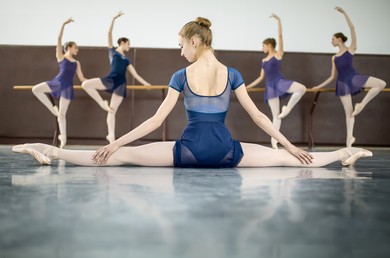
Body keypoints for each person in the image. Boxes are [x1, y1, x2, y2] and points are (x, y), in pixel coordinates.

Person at [13, 17, 372, 168]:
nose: (179, 50)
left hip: (186, 151)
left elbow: (156, 120)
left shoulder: (181, 74)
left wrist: (119, 142)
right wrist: (291, 146)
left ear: (195, 41)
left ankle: (49, 151)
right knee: (290, 160)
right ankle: (346, 152)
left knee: (117, 157)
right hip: (227, 152)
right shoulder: (231, 73)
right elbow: (259, 116)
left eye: (181, 44)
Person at [312, 7, 386, 147]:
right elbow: (332, 76)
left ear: (339, 39)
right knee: (349, 113)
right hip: (342, 83)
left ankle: (362, 104)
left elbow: (352, 28)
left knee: (381, 84)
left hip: (353, 78)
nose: (331, 41)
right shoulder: (334, 57)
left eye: (333, 39)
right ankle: (349, 141)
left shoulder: (351, 48)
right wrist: (319, 86)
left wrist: (344, 13)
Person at [81, 11, 151, 144]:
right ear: (123, 43)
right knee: (86, 84)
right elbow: (109, 34)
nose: (129, 47)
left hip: (120, 85)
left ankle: (111, 136)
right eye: (128, 44)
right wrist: (113, 18)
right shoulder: (112, 52)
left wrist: (145, 83)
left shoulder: (126, 59)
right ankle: (102, 103)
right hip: (110, 79)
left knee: (112, 111)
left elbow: (134, 74)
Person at [247, 13, 306, 149]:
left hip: (279, 82)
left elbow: (280, 37)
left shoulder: (278, 54)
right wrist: (247, 86)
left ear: (269, 45)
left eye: (263, 46)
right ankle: (274, 141)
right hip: (270, 87)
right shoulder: (264, 60)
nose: (262, 48)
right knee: (275, 116)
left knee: (301, 88)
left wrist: (279, 20)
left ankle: (288, 108)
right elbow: (260, 77)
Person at [31, 18, 87, 149]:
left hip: (67, 87)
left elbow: (82, 78)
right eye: (75, 47)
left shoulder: (76, 62)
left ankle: (64, 140)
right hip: (57, 82)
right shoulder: (61, 57)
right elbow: (58, 40)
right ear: (68, 48)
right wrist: (63, 24)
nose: (77, 50)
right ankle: (52, 109)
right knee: (36, 89)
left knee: (62, 115)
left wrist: (92, 84)